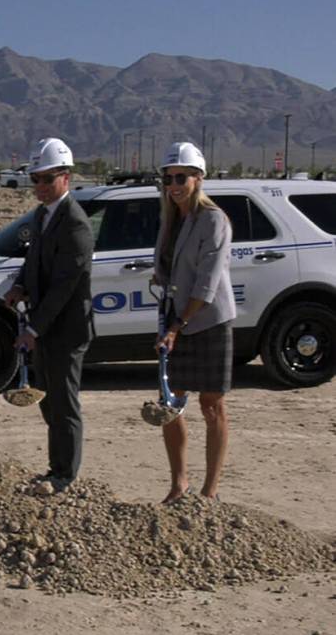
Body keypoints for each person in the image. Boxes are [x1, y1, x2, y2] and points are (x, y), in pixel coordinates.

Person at [3, 137, 94, 491]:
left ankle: (64, 475)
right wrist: (20, 286)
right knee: (47, 400)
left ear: (66, 177)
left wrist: (33, 330)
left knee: (63, 403)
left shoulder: (75, 224)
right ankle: (55, 466)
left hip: (66, 329)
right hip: (44, 326)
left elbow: (64, 287)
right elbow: (34, 261)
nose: (39, 186)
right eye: (35, 179)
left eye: (46, 178)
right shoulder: (43, 216)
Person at [153, 142, 235, 503]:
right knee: (171, 403)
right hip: (175, 318)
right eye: (168, 177)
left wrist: (176, 326)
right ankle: (178, 483)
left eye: (181, 176)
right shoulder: (172, 218)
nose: (173, 184)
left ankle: (210, 490)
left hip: (207, 321)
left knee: (211, 405)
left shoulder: (213, 219)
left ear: (198, 178)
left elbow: (208, 282)